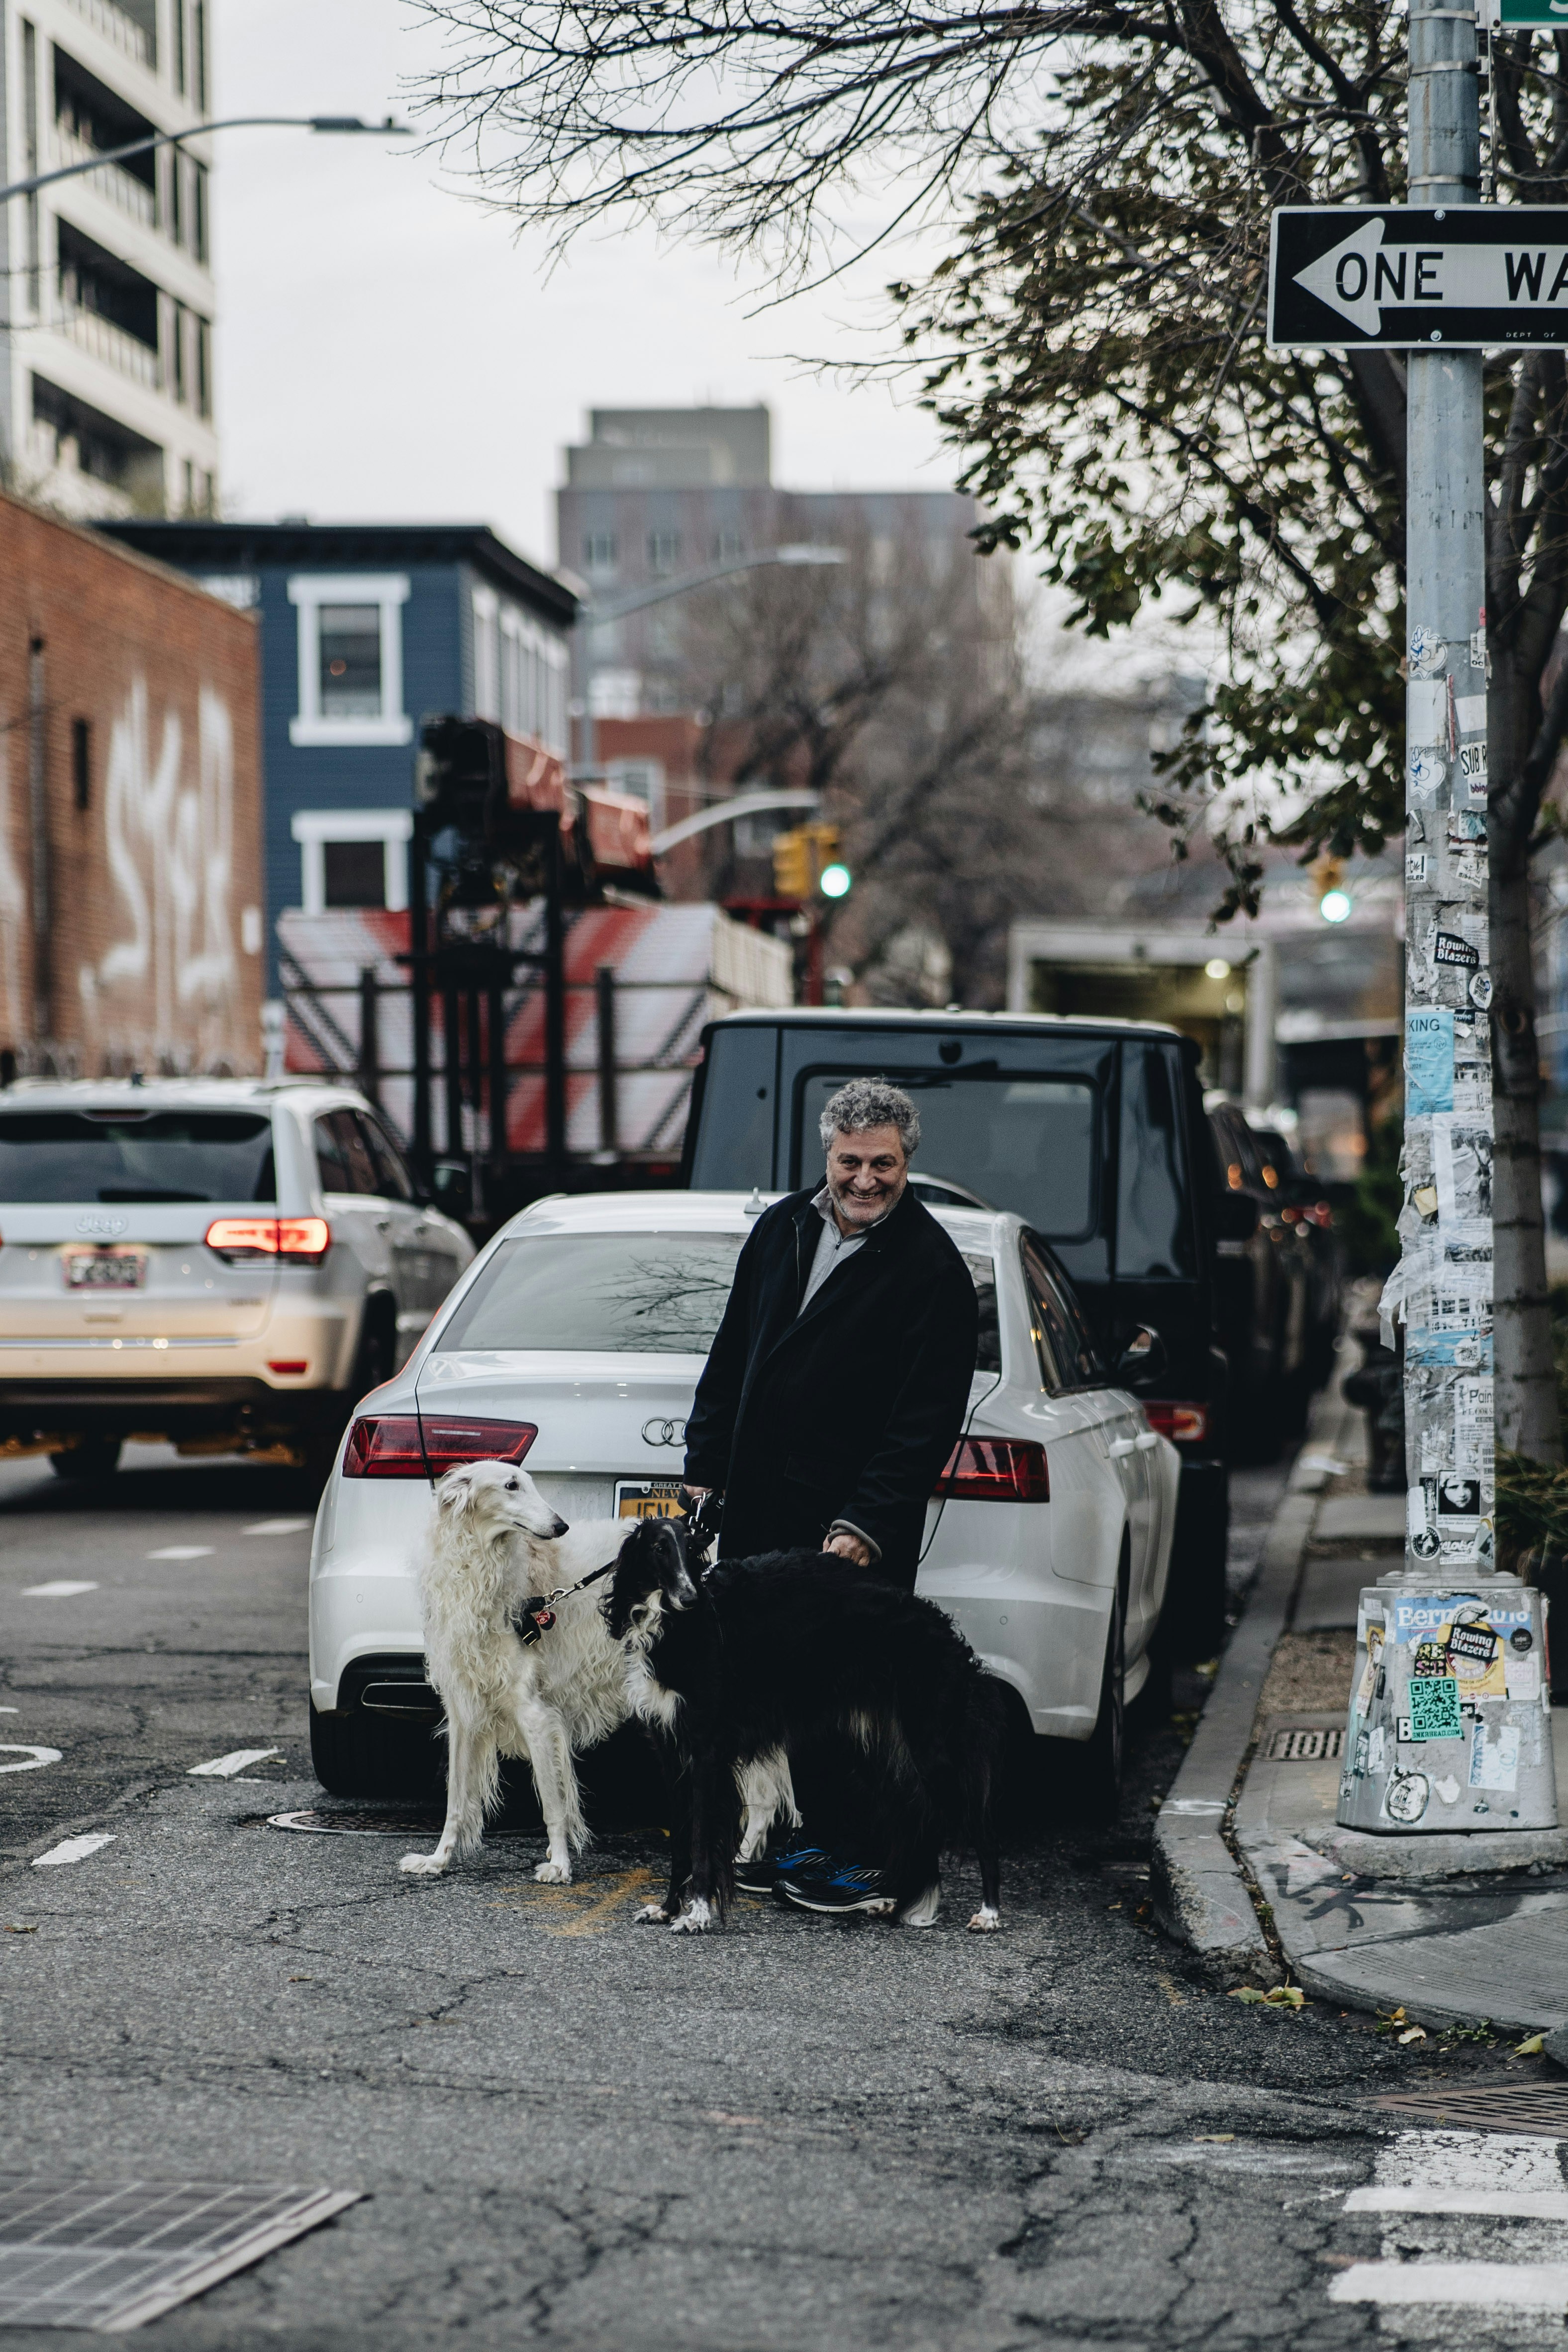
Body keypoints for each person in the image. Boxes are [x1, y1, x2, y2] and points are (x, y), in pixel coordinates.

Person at [682, 1075, 980, 1913]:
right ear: (829, 1154)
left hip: (844, 1532)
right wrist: (705, 1463)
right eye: (852, 1161)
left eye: (883, 1163)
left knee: (849, 1704)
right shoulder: (781, 1228)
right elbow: (733, 1353)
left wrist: (869, 1523)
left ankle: (857, 1862)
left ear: (906, 1159)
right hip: (758, 1514)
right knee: (762, 1691)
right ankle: (783, 1842)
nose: (865, 1180)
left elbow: (925, 1421)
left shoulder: (931, 1268)